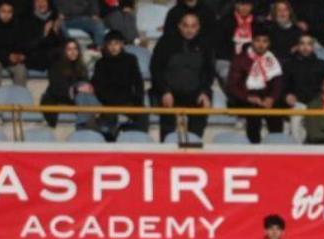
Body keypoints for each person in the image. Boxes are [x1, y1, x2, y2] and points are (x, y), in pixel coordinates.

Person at [150, 12, 216, 141]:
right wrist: (165, 91)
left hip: (195, 93)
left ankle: (195, 145)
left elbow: (208, 71)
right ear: (180, 26)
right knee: (167, 128)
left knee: (202, 108)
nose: (189, 30)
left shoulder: (205, 44)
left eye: (193, 26)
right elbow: (156, 69)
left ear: (198, 27)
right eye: (186, 26)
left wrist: (204, 92)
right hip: (170, 92)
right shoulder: (166, 42)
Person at [228, 24, 286, 143]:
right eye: (258, 41)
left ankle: (276, 146)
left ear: (269, 43)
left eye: (265, 41)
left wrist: (271, 98)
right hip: (247, 98)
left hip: (267, 97)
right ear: (252, 41)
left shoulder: (273, 59)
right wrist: (248, 97)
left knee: (276, 113)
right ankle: (254, 147)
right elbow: (233, 86)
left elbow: (278, 83)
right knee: (253, 115)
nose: (261, 45)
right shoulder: (240, 59)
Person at [91, 30, 148, 139]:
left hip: (128, 102)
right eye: (110, 44)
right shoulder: (100, 63)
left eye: (116, 43)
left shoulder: (130, 60)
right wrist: (108, 103)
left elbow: (138, 83)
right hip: (107, 104)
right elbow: (98, 87)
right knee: (107, 123)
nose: (113, 47)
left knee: (143, 114)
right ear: (106, 46)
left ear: (121, 44)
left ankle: (140, 141)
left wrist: (138, 103)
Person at [283, 33, 324, 140]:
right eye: (302, 44)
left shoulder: (321, 64)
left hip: (317, 103)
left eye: (309, 44)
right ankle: (297, 147)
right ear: (297, 46)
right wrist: (287, 95)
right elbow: (283, 85)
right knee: (296, 117)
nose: (305, 47)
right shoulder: (288, 64)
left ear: (313, 47)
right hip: (297, 104)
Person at [41, 39, 95, 128]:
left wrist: (89, 88)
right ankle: (87, 124)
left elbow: (85, 84)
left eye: (75, 49)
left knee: (85, 94)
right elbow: (57, 90)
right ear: (64, 51)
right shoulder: (55, 67)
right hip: (57, 100)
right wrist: (76, 89)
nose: (73, 52)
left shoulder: (81, 67)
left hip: (79, 100)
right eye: (69, 49)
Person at [24, 0, 65, 72]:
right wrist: (44, 34)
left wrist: (56, 31)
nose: (41, 4)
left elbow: (62, 44)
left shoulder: (53, 18)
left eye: (44, 1)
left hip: (52, 59)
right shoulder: (27, 20)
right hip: (35, 58)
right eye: (38, 2)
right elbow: (28, 46)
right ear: (33, 4)